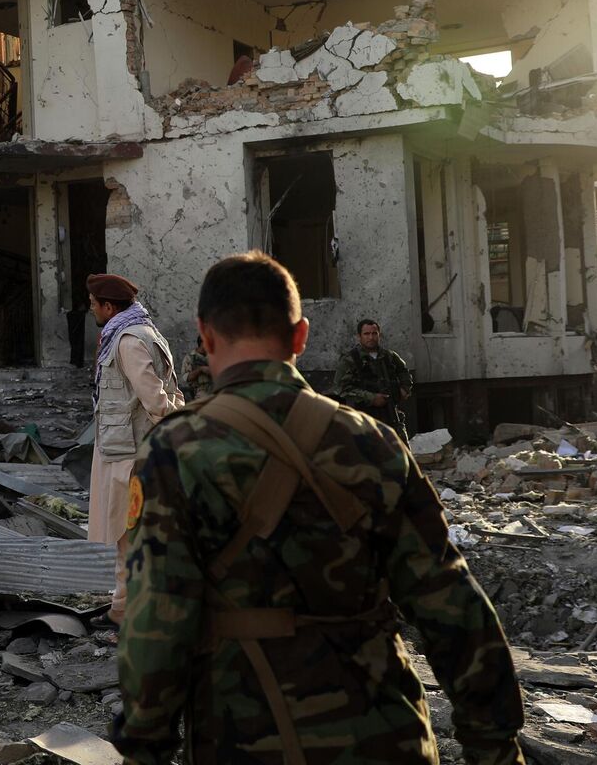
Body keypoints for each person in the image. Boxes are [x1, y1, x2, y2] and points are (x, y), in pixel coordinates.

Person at [112, 253, 524, 765]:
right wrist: (494, 743)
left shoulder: (173, 451)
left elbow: (157, 621)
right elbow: (451, 605)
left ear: (206, 335)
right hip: (385, 737)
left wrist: (143, 746)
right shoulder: (374, 443)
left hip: (245, 737)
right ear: (302, 336)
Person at [84, 274, 184, 626]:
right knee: (129, 535)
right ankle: (123, 608)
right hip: (126, 446)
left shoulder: (127, 340)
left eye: (95, 304)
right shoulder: (143, 331)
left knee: (131, 535)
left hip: (131, 452)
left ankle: (133, 613)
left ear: (109, 306)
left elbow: (156, 398)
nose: (92, 309)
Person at [334, 318, 414, 440]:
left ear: (379, 335)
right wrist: (371, 398)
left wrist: (405, 388)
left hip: (391, 415)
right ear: (359, 336)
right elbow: (340, 387)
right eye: (366, 334)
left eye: (374, 333)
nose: (371, 337)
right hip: (364, 418)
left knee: (401, 453)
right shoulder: (350, 360)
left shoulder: (389, 356)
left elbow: (404, 371)